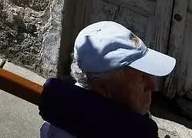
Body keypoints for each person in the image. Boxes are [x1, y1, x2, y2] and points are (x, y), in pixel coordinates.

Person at [39, 22, 176, 138]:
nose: (153, 86)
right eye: (141, 78)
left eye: (147, 73)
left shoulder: (128, 116)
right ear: (103, 88)